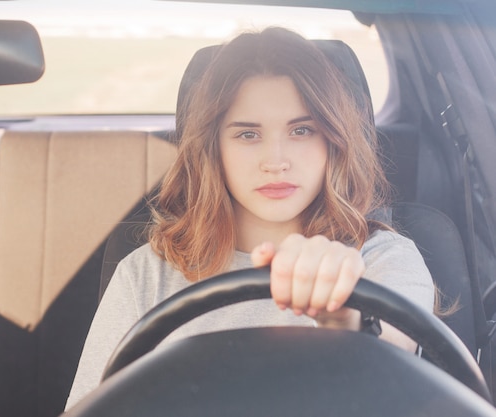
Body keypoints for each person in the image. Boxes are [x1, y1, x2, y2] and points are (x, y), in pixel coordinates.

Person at [65, 26, 434, 409]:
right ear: (214, 149)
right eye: (247, 135)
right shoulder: (146, 275)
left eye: (302, 130)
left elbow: (399, 358)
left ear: (333, 142)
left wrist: (349, 323)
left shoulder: (382, 260)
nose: (276, 161)